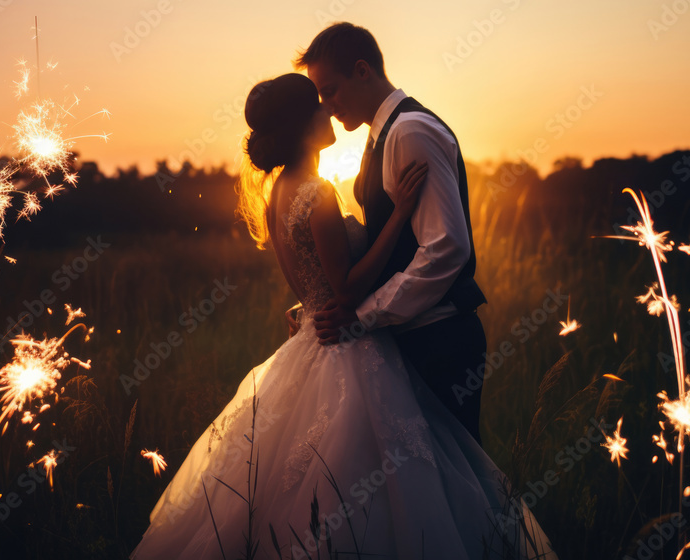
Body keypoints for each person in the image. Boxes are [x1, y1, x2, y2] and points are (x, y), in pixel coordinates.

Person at [131, 73, 554, 559]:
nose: (328, 112)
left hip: (311, 336)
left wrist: (308, 304)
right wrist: (399, 215)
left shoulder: (277, 193)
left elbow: (310, 282)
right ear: (301, 126)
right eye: (318, 107)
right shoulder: (317, 193)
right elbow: (347, 287)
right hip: (348, 346)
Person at [299, 22, 488, 447]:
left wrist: (364, 316)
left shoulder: (409, 131)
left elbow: (446, 248)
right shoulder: (379, 135)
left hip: (439, 338)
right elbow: (383, 244)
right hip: (411, 335)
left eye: (330, 90)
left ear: (362, 70)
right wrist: (318, 303)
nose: (327, 106)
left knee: (457, 488)